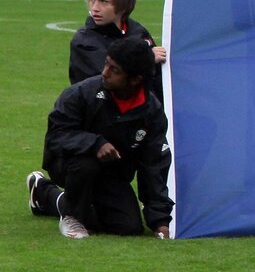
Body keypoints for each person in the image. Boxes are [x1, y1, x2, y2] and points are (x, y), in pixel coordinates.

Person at [27, 37, 174, 239]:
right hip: (68, 163)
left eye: (115, 70)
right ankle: (72, 216)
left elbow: (154, 166)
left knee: (129, 227)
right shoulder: (80, 93)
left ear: (135, 79)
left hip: (112, 174)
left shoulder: (152, 113)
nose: (105, 72)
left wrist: (160, 221)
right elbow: (56, 135)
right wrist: (94, 143)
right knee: (87, 164)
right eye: (107, 64)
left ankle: (46, 194)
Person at [69, 0, 165, 98]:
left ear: (123, 5)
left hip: (141, 112)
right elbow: (107, 81)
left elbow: (158, 79)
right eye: (92, 0)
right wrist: (147, 61)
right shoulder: (84, 40)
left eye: (103, 1)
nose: (95, 8)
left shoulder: (138, 32)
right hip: (101, 112)